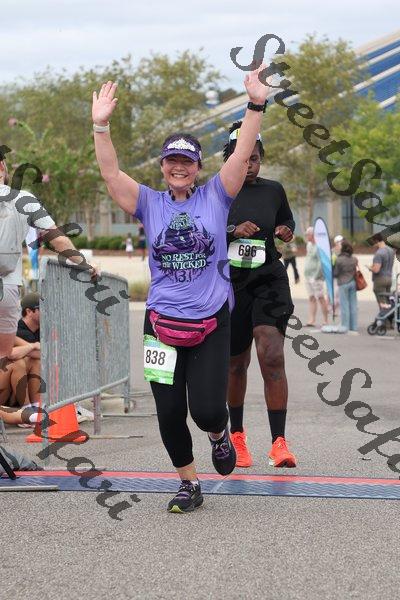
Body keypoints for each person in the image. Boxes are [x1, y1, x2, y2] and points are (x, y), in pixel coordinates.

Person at [92, 69, 270, 513]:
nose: (178, 167)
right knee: (169, 412)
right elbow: (111, 173)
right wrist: (100, 125)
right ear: (162, 165)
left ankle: (219, 434)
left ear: (198, 168)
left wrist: (255, 104)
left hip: (210, 320)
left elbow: (242, 153)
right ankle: (189, 483)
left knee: (206, 410)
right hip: (160, 323)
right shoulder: (148, 203)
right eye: (171, 160)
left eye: (186, 161)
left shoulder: (216, 196)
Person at [224, 121, 296, 469]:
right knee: (236, 364)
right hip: (231, 284)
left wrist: (285, 230)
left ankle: (279, 443)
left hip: (269, 281)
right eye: (243, 158)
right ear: (231, 158)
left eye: (254, 158)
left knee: (272, 356)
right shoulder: (218, 191)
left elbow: (287, 221)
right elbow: (202, 233)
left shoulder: (273, 190)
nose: (249, 165)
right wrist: (232, 230)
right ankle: (237, 437)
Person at [0, 155, 97, 366]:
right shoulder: (24, 200)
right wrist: (84, 264)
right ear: (2, 167)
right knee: (3, 357)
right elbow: (57, 238)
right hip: (7, 287)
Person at [304, 226, 328, 327]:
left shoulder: (319, 246)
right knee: (311, 298)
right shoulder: (309, 245)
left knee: (321, 298)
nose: (306, 236)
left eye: (307, 234)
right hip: (308, 276)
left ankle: (325, 320)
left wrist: (316, 276)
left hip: (316, 277)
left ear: (313, 235)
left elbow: (320, 262)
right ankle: (311, 320)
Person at [333, 239, 358, 334]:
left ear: (342, 248)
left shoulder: (339, 259)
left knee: (344, 305)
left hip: (343, 283)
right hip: (353, 282)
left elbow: (336, 273)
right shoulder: (354, 259)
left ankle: (345, 326)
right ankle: (354, 326)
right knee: (353, 305)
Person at [368, 233, 395, 309]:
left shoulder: (379, 253)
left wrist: (370, 268)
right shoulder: (391, 251)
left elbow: (376, 270)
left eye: (373, 243)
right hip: (389, 278)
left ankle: (384, 316)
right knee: (388, 302)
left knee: (382, 303)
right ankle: (389, 316)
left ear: (376, 241)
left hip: (380, 279)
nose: (373, 245)